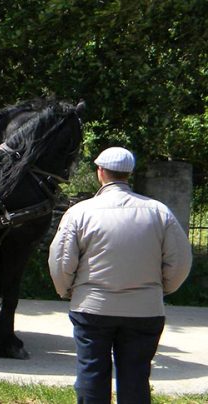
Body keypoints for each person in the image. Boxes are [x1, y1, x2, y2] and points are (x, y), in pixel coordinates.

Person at [49, 147, 192, 404]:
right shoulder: (159, 212)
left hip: (92, 308)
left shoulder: (80, 212)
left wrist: (67, 290)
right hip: (144, 310)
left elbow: (61, 261)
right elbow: (180, 262)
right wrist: (160, 289)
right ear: (129, 174)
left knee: (91, 372)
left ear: (100, 172)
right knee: (136, 376)